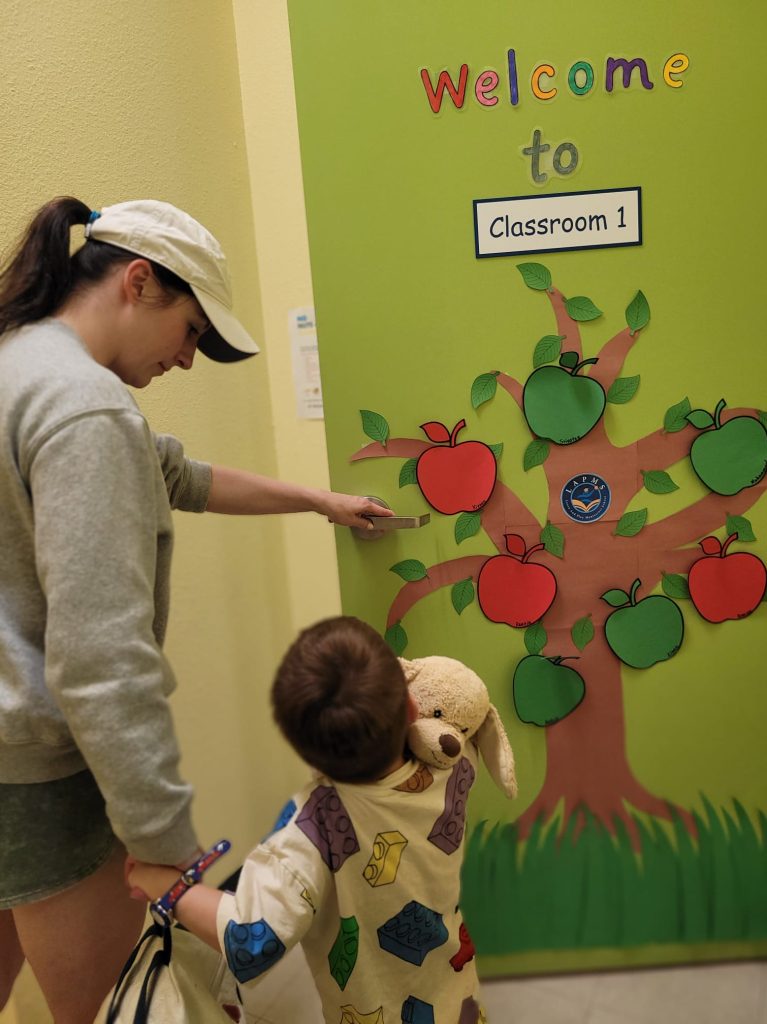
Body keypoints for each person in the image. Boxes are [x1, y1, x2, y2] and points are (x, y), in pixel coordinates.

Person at [0, 196, 391, 1024]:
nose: (186, 359)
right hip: (40, 778)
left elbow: (179, 476)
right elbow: (102, 660)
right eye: (190, 332)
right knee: (115, 1008)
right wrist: (167, 848)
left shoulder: (20, 363)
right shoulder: (86, 408)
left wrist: (319, 500)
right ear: (138, 282)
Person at [128, 615, 485, 1024]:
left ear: (305, 752)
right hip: (456, 994)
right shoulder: (456, 765)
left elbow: (250, 940)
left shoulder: (314, 827)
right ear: (410, 706)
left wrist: (168, 887)